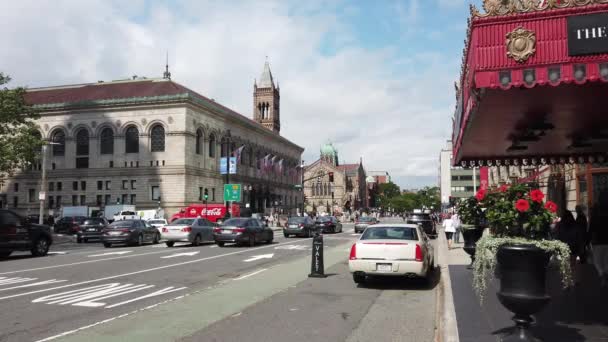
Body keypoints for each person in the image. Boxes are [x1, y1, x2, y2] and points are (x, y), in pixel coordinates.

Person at [555, 211, 579, 286]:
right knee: (573, 265)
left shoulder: (559, 225)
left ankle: (566, 281)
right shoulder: (575, 225)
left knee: (565, 265)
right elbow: (578, 236)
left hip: (563, 247)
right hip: (573, 247)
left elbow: (557, 236)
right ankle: (573, 280)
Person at [589, 193, 608, 287]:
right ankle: (605, 274)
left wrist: (587, 240)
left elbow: (591, 228)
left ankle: (602, 274)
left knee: (597, 260)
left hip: (597, 241)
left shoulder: (596, 213)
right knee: (606, 259)